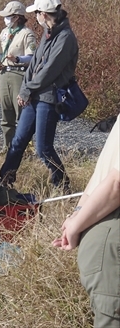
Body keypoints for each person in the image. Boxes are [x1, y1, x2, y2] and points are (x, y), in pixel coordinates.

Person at [0, 0, 78, 191]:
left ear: (44, 13)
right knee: (19, 140)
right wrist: (26, 89)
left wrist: (28, 90)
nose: (35, 17)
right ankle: (4, 180)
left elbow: (50, 71)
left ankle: (62, 183)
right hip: (36, 96)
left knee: (43, 148)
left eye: (36, 13)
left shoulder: (66, 37)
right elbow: (34, 63)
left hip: (49, 98)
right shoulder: (49, 32)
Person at [52, 114, 119, 327]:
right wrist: (76, 221)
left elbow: (107, 177)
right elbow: (115, 182)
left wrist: (77, 218)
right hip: (111, 248)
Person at [0, 1, 37, 152]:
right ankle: (7, 145)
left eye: (8, 16)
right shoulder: (4, 32)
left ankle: (22, 147)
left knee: (21, 111)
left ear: (17, 17)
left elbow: (31, 57)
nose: (6, 19)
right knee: (6, 111)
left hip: (19, 73)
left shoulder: (27, 34)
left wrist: (18, 59)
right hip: (4, 73)